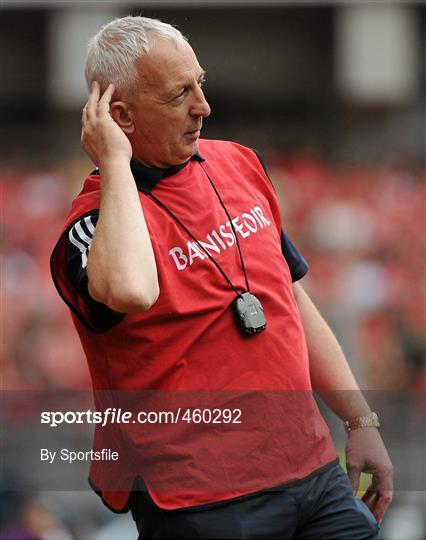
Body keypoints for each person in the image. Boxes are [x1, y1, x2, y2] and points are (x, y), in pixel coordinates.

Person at [50, 15, 393, 539]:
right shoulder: (92, 226)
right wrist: (115, 163)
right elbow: (130, 289)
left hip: (313, 472)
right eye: (178, 94)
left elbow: (289, 300)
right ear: (120, 116)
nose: (202, 106)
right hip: (203, 501)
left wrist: (358, 419)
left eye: (200, 83)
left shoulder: (238, 163)